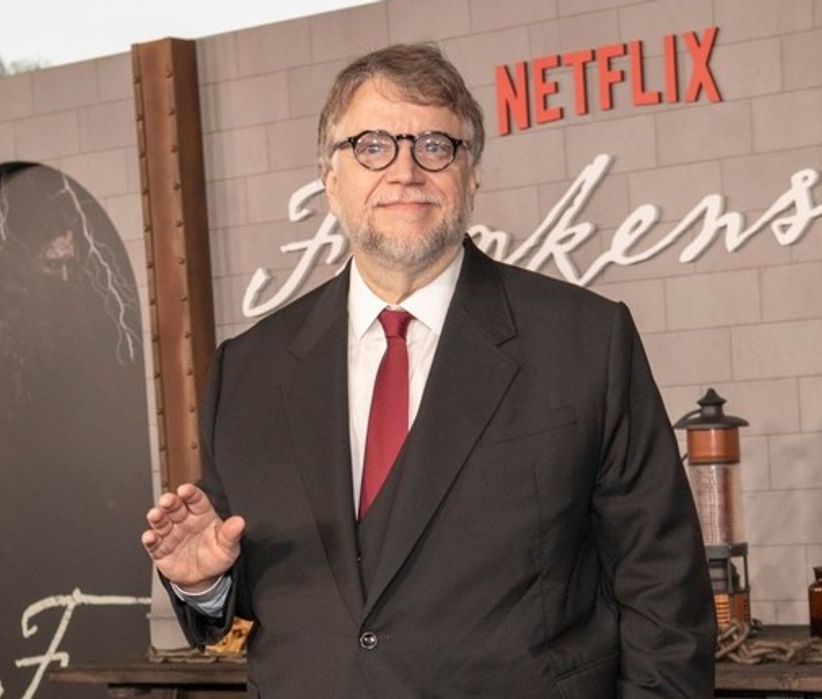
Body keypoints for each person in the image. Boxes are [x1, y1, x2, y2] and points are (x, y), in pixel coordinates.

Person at [142, 44, 715, 698]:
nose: (405, 170)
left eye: (435, 145)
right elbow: (240, 620)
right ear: (330, 179)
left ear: (470, 176)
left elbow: (664, 594)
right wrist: (203, 582)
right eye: (372, 146)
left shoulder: (583, 340)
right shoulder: (246, 373)